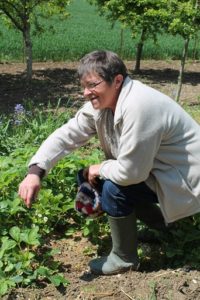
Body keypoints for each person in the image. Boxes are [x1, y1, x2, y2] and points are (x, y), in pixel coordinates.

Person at [18, 50, 200, 275]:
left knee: (113, 186)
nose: (86, 93)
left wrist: (99, 168)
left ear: (117, 81)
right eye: (83, 86)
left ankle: (124, 258)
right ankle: (166, 228)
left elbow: (131, 173)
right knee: (97, 178)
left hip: (187, 180)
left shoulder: (140, 105)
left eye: (92, 85)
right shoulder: (105, 104)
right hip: (161, 173)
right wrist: (35, 171)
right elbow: (68, 134)